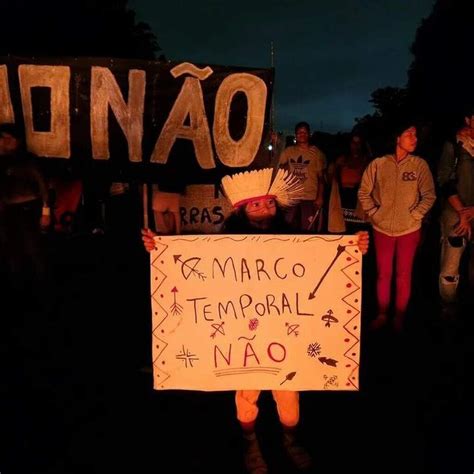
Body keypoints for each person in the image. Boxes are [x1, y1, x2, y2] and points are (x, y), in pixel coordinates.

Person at [142, 167, 370, 473]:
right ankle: (250, 443)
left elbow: (324, 258)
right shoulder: (224, 244)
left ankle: (289, 439)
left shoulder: (294, 240)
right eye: (256, 204)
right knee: (246, 395)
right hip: (242, 340)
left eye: (270, 203)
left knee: (289, 399)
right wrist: (159, 248)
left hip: (286, 337)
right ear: (241, 209)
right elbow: (196, 267)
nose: (265, 210)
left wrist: (354, 246)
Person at [358, 120, 436, 332]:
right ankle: (383, 313)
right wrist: (375, 214)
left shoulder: (419, 165)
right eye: (410, 134)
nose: (415, 139)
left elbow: (429, 195)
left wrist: (415, 215)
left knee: (404, 274)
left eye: (416, 135)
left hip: (409, 230)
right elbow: (364, 192)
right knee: (383, 273)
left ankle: (399, 316)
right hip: (382, 228)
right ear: (397, 138)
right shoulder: (379, 164)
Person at [0, 123, 51, 284]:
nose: (3, 142)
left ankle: (42, 286)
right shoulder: (3, 162)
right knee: (11, 250)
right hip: (8, 210)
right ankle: (19, 287)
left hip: (27, 210)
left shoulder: (27, 160)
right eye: (2, 139)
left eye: (7, 139)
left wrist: (45, 212)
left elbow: (42, 185)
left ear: (16, 141)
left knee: (33, 248)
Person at [437, 110, 474, 310]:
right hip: (455, 211)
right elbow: (444, 179)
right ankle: (447, 307)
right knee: (451, 265)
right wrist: (462, 213)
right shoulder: (455, 143)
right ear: (468, 119)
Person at [278, 122, 326, 232]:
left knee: (308, 227)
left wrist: (320, 197)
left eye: (304, 132)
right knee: (288, 225)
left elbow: (321, 177)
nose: (302, 134)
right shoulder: (288, 151)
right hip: (292, 196)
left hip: (310, 196)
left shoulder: (316, 153)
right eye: (299, 132)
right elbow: (278, 167)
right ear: (295, 134)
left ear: (309, 134)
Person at [327, 132, 371, 234]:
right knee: (344, 233)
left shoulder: (366, 161)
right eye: (353, 142)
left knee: (359, 233)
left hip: (359, 202)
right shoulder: (341, 160)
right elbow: (331, 180)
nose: (356, 145)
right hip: (343, 199)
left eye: (358, 143)